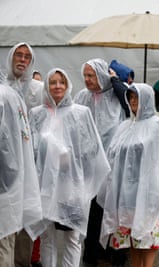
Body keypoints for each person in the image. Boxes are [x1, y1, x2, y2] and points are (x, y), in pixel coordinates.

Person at [28, 68, 110, 267]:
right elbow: (30, 148)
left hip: (72, 186)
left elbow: (92, 148)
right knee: (47, 236)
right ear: (46, 86)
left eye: (61, 82)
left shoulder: (80, 113)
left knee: (72, 236)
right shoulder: (37, 114)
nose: (57, 86)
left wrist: (69, 156)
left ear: (68, 85)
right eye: (53, 82)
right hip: (45, 186)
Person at [100, 83, 159, 267]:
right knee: (131, 238)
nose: (133, 101)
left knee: (147, 236)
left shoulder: (156, 124)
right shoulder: (124, 126)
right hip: (125, 193)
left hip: (147, 192)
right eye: (130, 97)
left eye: (137, 97)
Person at [73, 58, 126, 267]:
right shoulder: (82, 97)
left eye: (91, 75)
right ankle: (91, 254)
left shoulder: (116, 97)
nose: (87, 80)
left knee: (113, 211)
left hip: (113, 167)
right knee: (93, 212)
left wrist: (116, 82)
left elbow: (131, 106)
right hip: (90, 167)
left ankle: (117, 254)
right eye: (85, 75)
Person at [5, 42, 44, 267]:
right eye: (18, 55)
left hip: (32, 161)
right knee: (8, 215)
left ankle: (23, 261)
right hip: (8, 163)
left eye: (26, 57)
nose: (22, 60)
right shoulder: (4, 87)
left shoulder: (38, 89)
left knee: (27, 213)